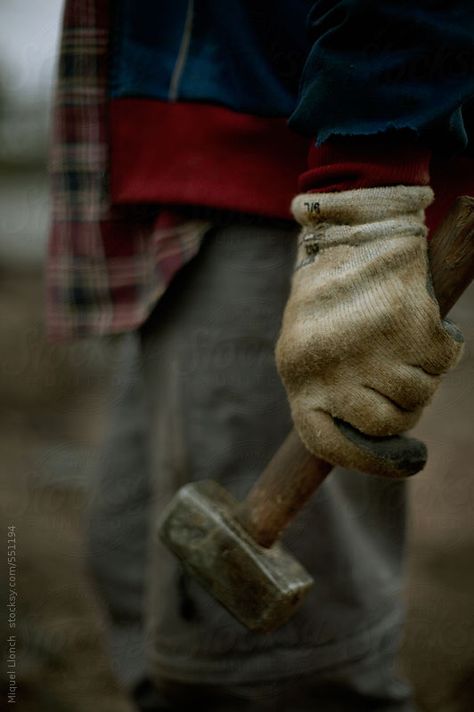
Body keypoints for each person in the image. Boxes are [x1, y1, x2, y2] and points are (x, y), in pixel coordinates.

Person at [47, 1, 474, 710]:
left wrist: (367, 187)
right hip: (195, 193)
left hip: (295, 180)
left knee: (269, 674)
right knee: (138, 576)